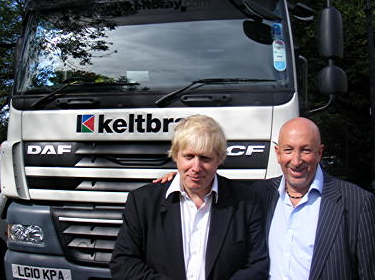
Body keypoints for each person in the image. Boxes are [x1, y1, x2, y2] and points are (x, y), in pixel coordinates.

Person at [155, 117, 375, 279]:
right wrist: (181, 178)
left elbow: (374, 273)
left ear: (319, 153)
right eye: (288, 150)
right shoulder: (257, 195)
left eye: (305, 150)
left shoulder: (356, 203)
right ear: (277, 153)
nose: (296, 161)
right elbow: (207, 180)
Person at [109, 115, 269, 280]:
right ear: (175, 156)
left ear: (219, 159)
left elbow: (257, 265)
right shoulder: (143, 202)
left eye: (205, 158)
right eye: (189, 156)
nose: (196, 167)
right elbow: (123, 264)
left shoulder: (246, 202)